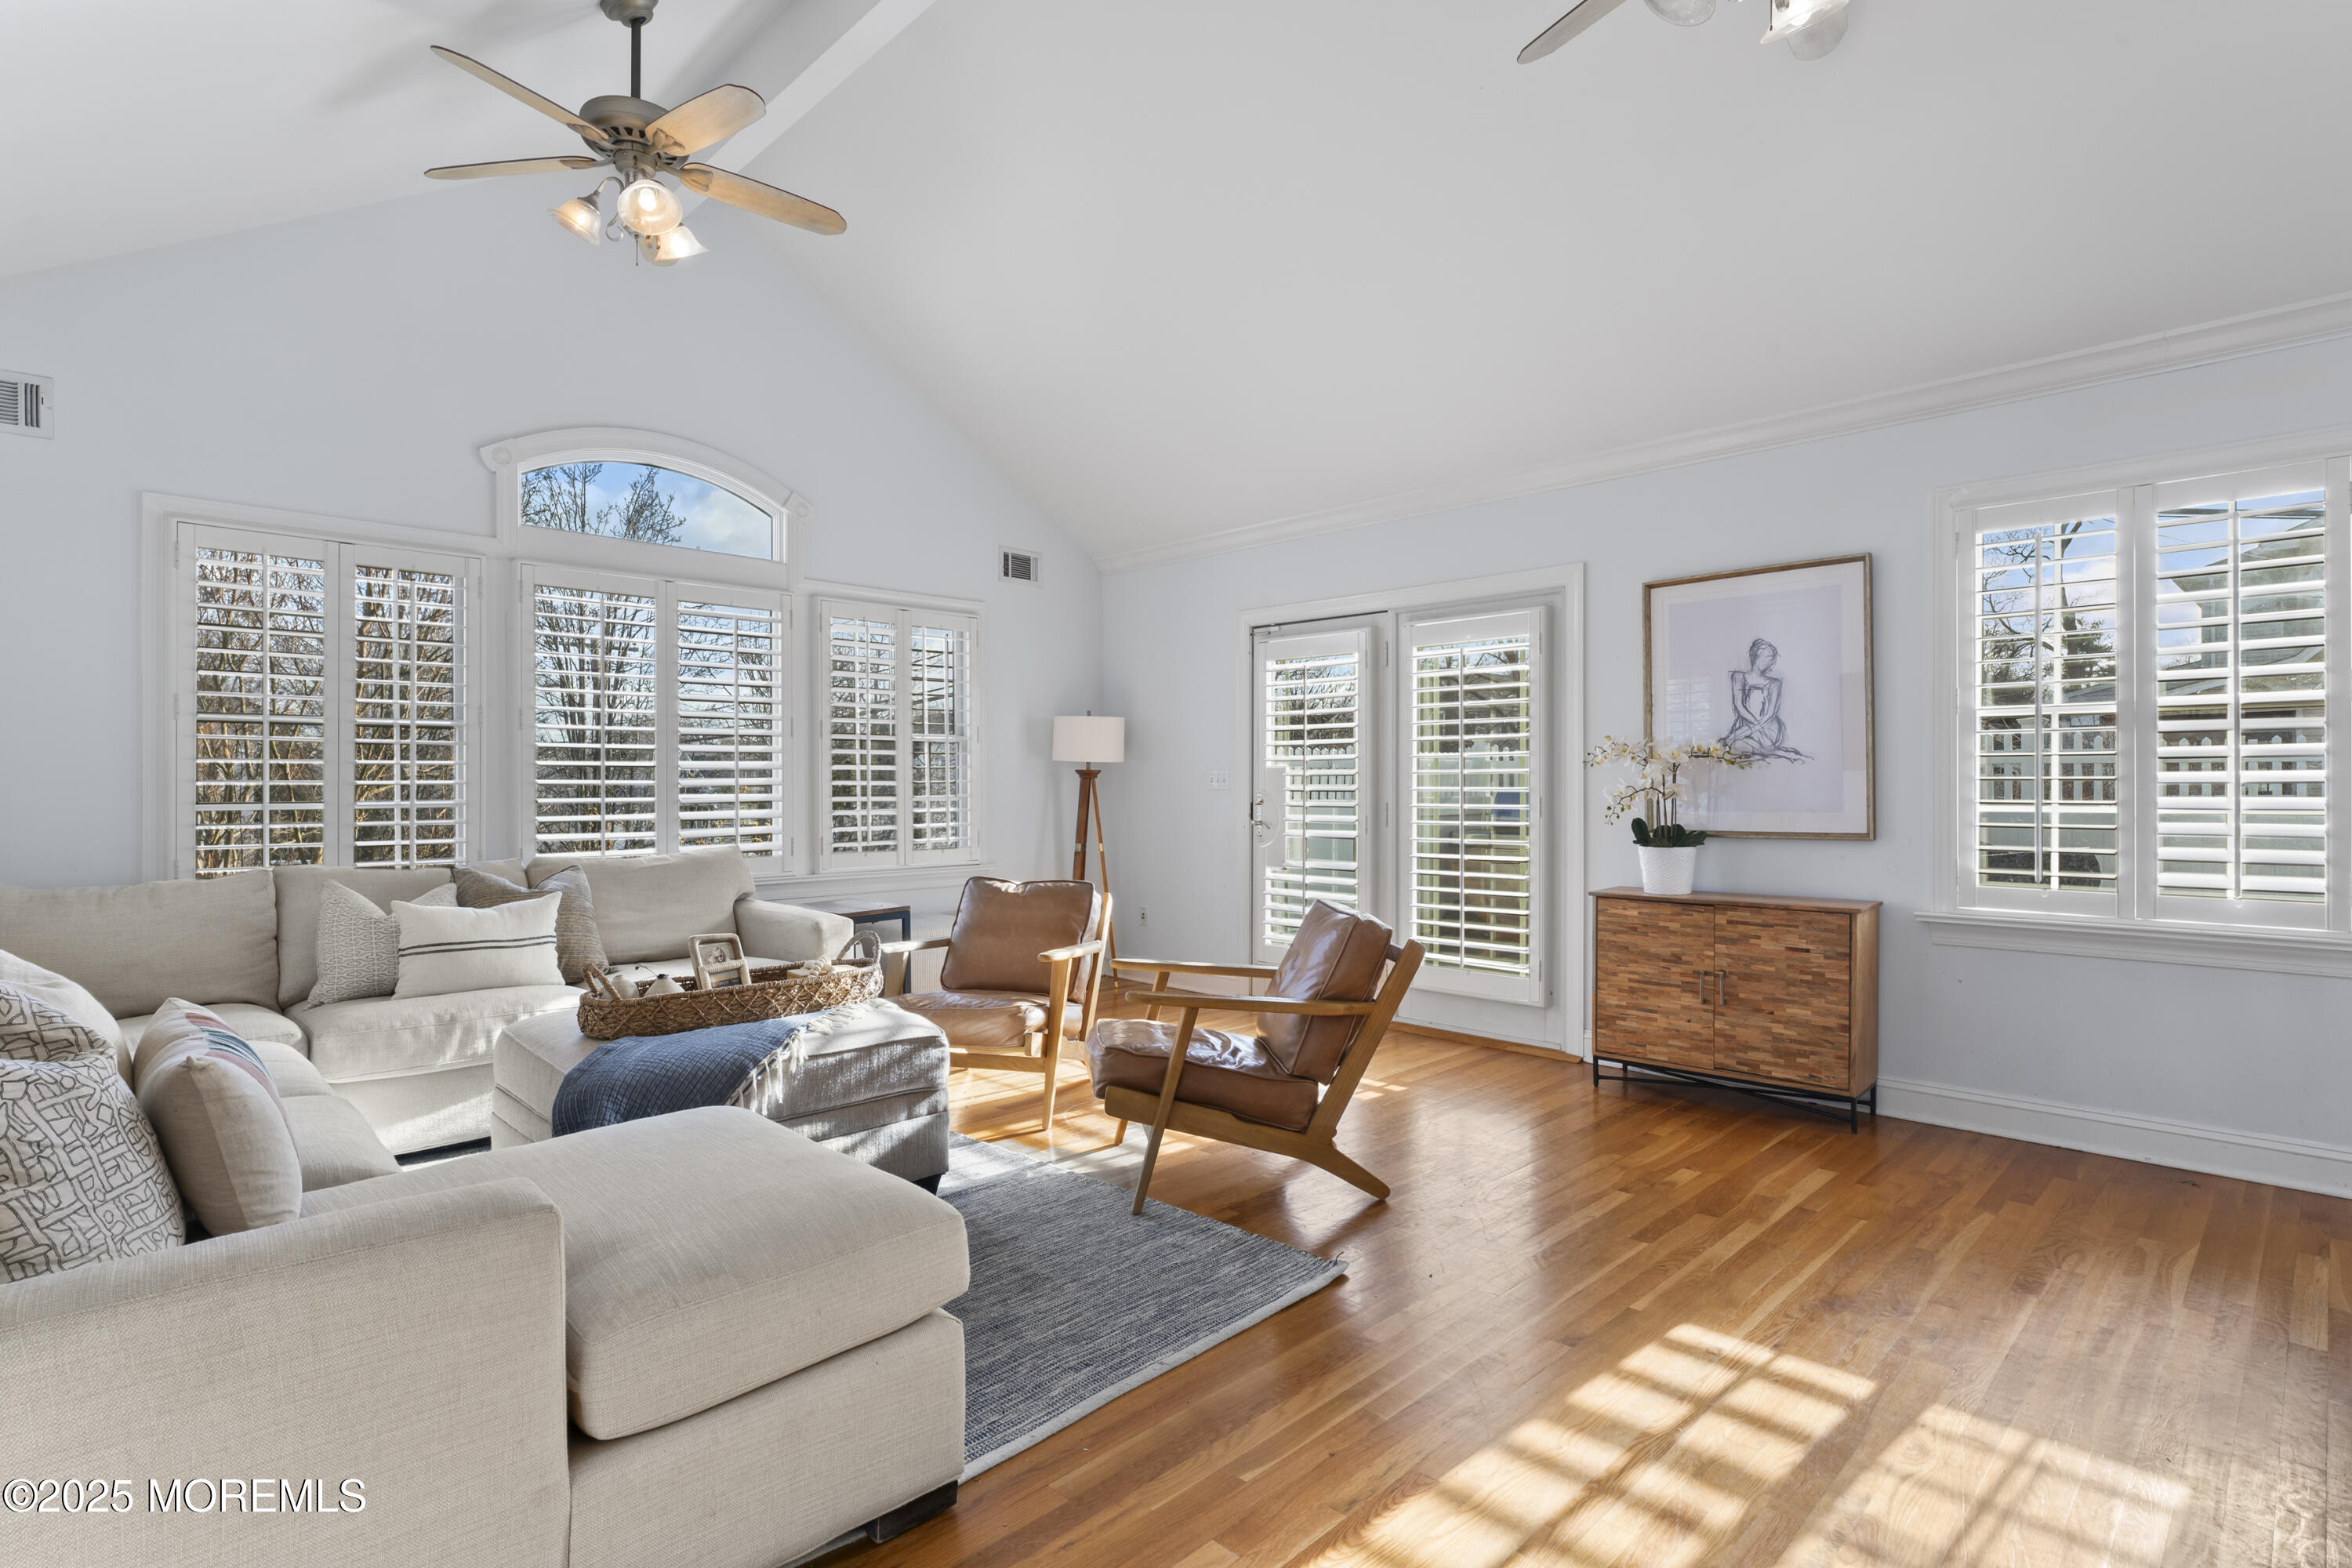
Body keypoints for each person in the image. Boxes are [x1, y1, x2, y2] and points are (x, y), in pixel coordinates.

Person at [1723, 638, 1809, 762]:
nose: (1768, 661)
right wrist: (1750, 729)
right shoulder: (1738, 677)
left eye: (1771, 658)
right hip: (1747, 726)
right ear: (1754, 655)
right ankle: (1771, 751)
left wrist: (1756, 728)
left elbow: (1770, 713)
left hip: (1768, 728)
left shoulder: (1774, 684)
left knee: (1734, 745)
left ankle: (1768, 749)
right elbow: (1739, 706)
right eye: (1765, 656)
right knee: (1733, 746)